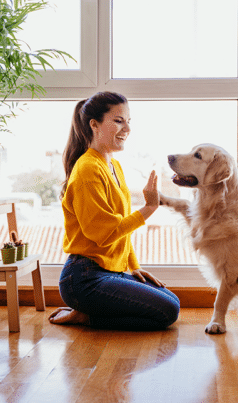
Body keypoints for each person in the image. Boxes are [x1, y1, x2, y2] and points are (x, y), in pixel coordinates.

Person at [48, 91, 180, 330]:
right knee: (167, 312)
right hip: (84, 278)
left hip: (110, 270)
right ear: (94, 125)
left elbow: (120, 228)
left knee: (172, 301)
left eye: (129, 121)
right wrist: (149, 208)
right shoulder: (87, 169)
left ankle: (88, 312)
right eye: (119, 121)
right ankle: (85, 316)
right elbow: (104, 233)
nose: (127, 128)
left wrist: (133, 265)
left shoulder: (113, 165)